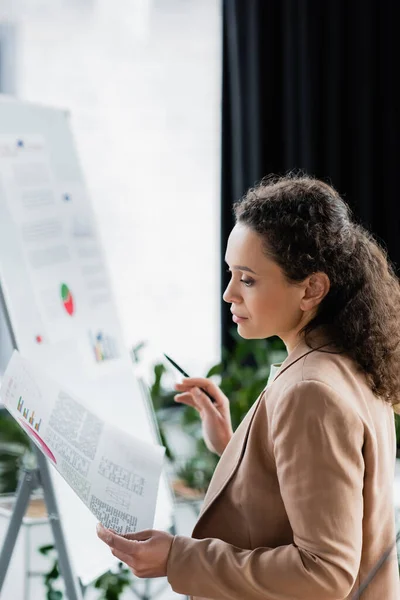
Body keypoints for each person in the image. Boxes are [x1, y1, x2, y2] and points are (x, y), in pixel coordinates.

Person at [97, 174, 400, 599]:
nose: (228, 293)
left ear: (311, 288)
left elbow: (324, 573)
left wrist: (176, 558)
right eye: (230, 273)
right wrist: (236, 445)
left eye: (248, 279)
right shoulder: (352, 359)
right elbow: (329, 490)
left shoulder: (310, 390)